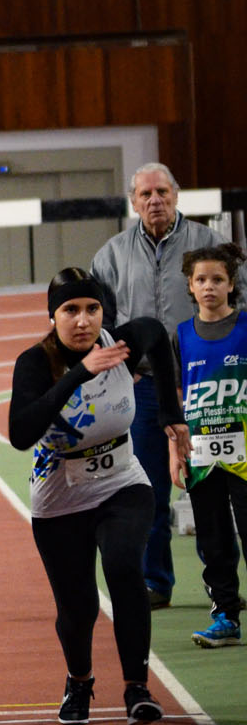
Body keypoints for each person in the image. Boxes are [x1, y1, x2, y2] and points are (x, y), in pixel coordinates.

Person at [9, 268, 188, 725]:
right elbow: (21, 433)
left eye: (92, 309)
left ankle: (137, 688)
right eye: (70, 310)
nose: (83, 320)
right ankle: (80, 680)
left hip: (122, 482)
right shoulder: (34, 362)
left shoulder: (122, 345)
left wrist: (172, 411)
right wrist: (78, 374)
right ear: (52, 316)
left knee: (124, 566)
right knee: (78, 606)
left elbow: (157, 335)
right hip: (59, 496)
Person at [91, 162, 230, 608]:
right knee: (147, 488)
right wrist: (121, 365)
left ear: (177, 195)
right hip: (143, 388)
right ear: (133, 201)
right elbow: (101, 320)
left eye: (163, 192)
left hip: (203, 385)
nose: (155, 200)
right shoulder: (110, 255)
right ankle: (156, 582)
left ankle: (221, 583)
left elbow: (237, 302)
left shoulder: (208, 244)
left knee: (212, 486)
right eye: (146, 194)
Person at [178, 244, 247, 647]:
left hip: (244, 455)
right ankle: (225, 616)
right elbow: (176, 401)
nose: (209, 287)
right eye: (201, 280)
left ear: (231, 284)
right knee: (214, 541)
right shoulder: (182, 335)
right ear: (190, 285)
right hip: (201, 459)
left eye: (217, 279)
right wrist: (176, 452)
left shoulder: (244, 327)